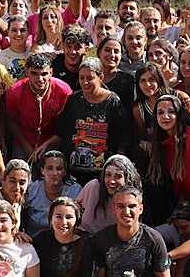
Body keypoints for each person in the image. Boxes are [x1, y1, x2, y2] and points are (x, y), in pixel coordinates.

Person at [51, 57, 132, 185]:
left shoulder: (112, 101)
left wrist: (114, 168)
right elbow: (62, 130)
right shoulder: (74, 99)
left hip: (101, 173)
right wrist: (45, 145)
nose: (85, 82)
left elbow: (122, 139)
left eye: (90, 78)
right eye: (81, 78)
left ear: (100, 77)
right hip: (73, 172)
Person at [4, 53, 72, 162]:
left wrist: (49, 143)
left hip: (52, 142)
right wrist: (26, 146)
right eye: (34, 74)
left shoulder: (63, 91)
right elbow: (11, 120)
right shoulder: (15, 91)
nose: (40, 79)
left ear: (51, 72)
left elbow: (67, 122)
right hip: (23, 142)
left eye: (44, 74)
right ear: (27, 72)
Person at [76, 154, 143, 234]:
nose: (112, 181)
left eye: (118, 176)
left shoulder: (133, 199)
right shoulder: (93, 187)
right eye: (108, 175)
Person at [23, 150, 81, 236]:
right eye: (50, 168)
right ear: (42, 170)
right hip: (33, 240)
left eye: (59, 169)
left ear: (65, 171)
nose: (54, 173)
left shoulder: (76, 191)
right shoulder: (31, 189)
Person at [50, 24, 91, 91]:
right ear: (63, 46)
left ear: (86, 49)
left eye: (78, 47)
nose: (73, 52)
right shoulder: (51, 65)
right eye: (68, 46)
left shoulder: (90, 70)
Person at [0, 14, 30, 80]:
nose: (18, 34)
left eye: (22, 30)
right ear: (8, 32)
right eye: (14, 30)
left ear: (28, 32)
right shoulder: (0, 57)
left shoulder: (33, 52)